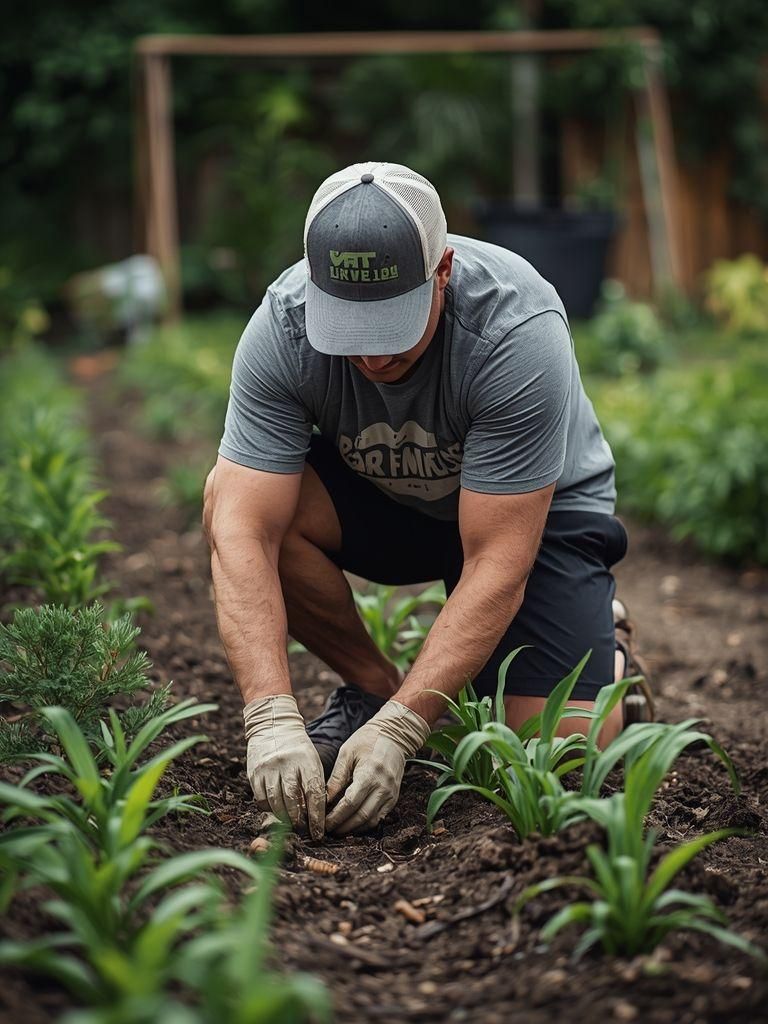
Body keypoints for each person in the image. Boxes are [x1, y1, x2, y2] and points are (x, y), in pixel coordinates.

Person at [202, 161, 652, 842]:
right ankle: (375, 685)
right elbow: (242, 530)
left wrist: (410, 729)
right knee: (232, 497)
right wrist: (268, 713)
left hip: (531, 511)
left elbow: (500, 560)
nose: (372, 359)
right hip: (389, 494)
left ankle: (605, 648)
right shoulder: (283, 328)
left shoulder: (514, 329)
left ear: (441, 270)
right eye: (348, 328)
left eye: (390, 325)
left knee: (556, 758)